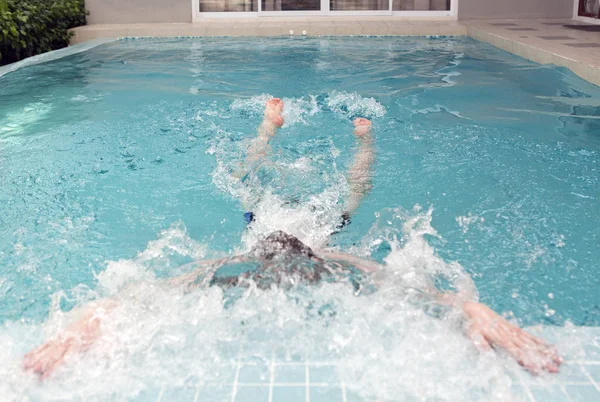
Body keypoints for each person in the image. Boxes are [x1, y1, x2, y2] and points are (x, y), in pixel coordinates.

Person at [24, 99, 562, 379]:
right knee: (317, 190)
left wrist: (469, 308)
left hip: (291, 223)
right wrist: (91, 318)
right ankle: (274, 130)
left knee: (296, 186)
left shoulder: (293, 253)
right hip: (308, 224)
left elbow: (410, 288)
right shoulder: (320, 253)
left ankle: (333, 137)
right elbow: (162, 287)